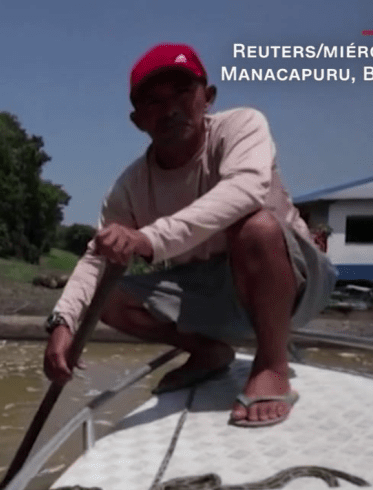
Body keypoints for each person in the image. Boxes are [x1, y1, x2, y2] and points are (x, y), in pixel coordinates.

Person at [43, 43, 337, 428]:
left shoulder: (242, 127)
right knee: (108, 299)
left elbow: (245, 190)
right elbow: (97, 258)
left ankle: (271, 362)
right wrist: (63, 322)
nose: (171, 109)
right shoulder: (128, 188)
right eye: (154, 101)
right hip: (210, 288)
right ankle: (209, 352)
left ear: (208, 98)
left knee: (256, 227)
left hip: (291, 282)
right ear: (137, 121)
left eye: (183, 92)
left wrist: (147, 240)